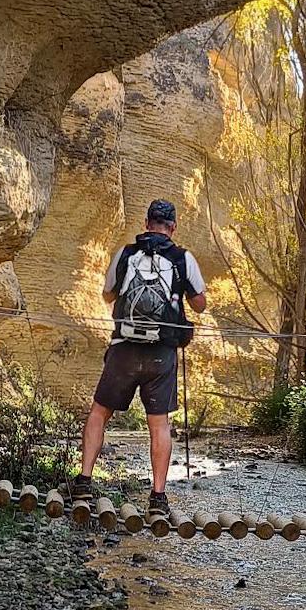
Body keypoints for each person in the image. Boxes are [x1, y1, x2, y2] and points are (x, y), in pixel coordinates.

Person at [73, 199, 206, 515]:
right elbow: (200, 304)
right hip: (161, 353)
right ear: (173, 227)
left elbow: (107, 294)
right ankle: (157, 498)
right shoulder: (182, 258)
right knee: (159, 424)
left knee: (99, 413)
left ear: (147, 224)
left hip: (124, 348)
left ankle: (83, 483)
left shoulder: (126, 253)